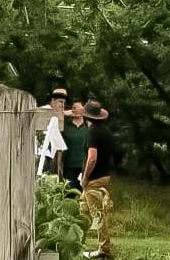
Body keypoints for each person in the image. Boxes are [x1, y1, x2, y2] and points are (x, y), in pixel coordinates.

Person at [81, 100, 114, 259]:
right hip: (105, 176)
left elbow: (92, 157)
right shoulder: (106, 131)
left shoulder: (92, 132)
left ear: (87, 116)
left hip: (94, 180)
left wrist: (85, 178)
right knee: (83, 210)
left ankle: (103, 250)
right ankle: (79, 242)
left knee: (98, 215)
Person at [37, 88, 70, 176]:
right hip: (40, 155)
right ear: (52, 101)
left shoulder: (58, 118)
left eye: (64, 103)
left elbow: (58, 143)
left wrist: (58, 164)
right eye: (60, 102)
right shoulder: (44, 111)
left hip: (49, 157)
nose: (63, 105)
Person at [61, 100, 88, 192]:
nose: (75, 110)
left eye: (77, 107)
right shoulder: (66, 125)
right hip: (69, 165)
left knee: (83, 193)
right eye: (73, 108)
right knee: (68, 192)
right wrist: (63, 113)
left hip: (84, 166)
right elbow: (54, 117)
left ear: (83, 110)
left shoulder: (87, 126)